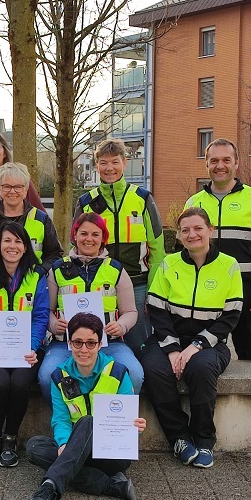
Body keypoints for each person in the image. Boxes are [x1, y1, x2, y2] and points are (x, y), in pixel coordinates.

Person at [141, 208, 243, 469]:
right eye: (185, 230)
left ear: (211, 230)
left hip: (210, 342)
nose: (192, 234)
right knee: (153, 367)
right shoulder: (169, 264)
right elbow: (156, 308)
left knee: (201, 367)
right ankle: (179, 437)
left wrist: (197, 345)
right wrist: (174, 349)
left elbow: (230, 316)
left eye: (198, 228)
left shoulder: (229, 265)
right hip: (169, 337)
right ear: (179, 235)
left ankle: (204, 439)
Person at [24, 313, 147, 500]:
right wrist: (63, 443)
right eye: (78, 342)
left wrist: (135, 425)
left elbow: (127, 417)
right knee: (34, 447)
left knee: (88, 421)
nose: (84, 349)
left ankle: (48, 487)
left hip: (111, 453)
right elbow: (61, 419)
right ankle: (112, 486)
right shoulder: (59, 376)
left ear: (100, 344)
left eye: (91, 343)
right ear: (70, 343)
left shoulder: (117, 372)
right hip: (75, 448)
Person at [184, 138, 251, 360]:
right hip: (206, 288)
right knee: (205, 351)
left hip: (245, 287)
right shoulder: (193, 203)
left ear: (236, 163)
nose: (220, 165)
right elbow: (184, 249)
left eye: (226, 160)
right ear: (206, 164)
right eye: (214, 160)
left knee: (248, 352)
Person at [37, 213, 144, 400]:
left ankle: (113, 425)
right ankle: (68, 422)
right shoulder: (57, 269)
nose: (89, 239)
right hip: (66, 344)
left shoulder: (116, 269)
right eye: (83, 233)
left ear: (103, 238)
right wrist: (54, 325)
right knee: (46, 376)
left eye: (95, 234)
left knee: (134, 373)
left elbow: (130, 312)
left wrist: (121, 325)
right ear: (75, 235)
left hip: (109, 344)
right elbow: (47, 311)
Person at [73, 139, 165, 354]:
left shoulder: (142, 199)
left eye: (115, 162)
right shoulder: (86, 201)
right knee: (98, 347)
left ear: (125, 163)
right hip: (98, 287)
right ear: (97, 165)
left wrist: (153, 291)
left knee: (139, 347)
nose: (109, 168)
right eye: (103, 163)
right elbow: (75, 244)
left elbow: (158, 249)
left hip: (138, 284)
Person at [0, 222, 49, 468]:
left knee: (18, 383)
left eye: (18, 241)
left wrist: (32, 346)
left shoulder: (36, 276)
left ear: (26, 247)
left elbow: (40, 316)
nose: (12, 246)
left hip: (27, 350)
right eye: (7, 240)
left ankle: (11, 437)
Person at [0, 162, 62, 274]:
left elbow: (55, 254)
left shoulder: (41, 220)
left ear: (26, 190)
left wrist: (39, 272)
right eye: (7, 186)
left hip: (32, 287)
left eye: (18, 187)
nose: (12, 191)